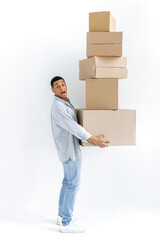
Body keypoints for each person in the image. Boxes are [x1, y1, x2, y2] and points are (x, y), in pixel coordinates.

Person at [50, 76, 110, 233]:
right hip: (69, 151)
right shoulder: (58, 106)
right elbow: (74, 127)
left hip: (68, 149)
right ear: (52, 90)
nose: (62, 87)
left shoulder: (64, 103)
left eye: (63, 84)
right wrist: (94, 140)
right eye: (57, 86)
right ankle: (67, 223)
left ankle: (62, 216)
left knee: (67, 181)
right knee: (73, 184)